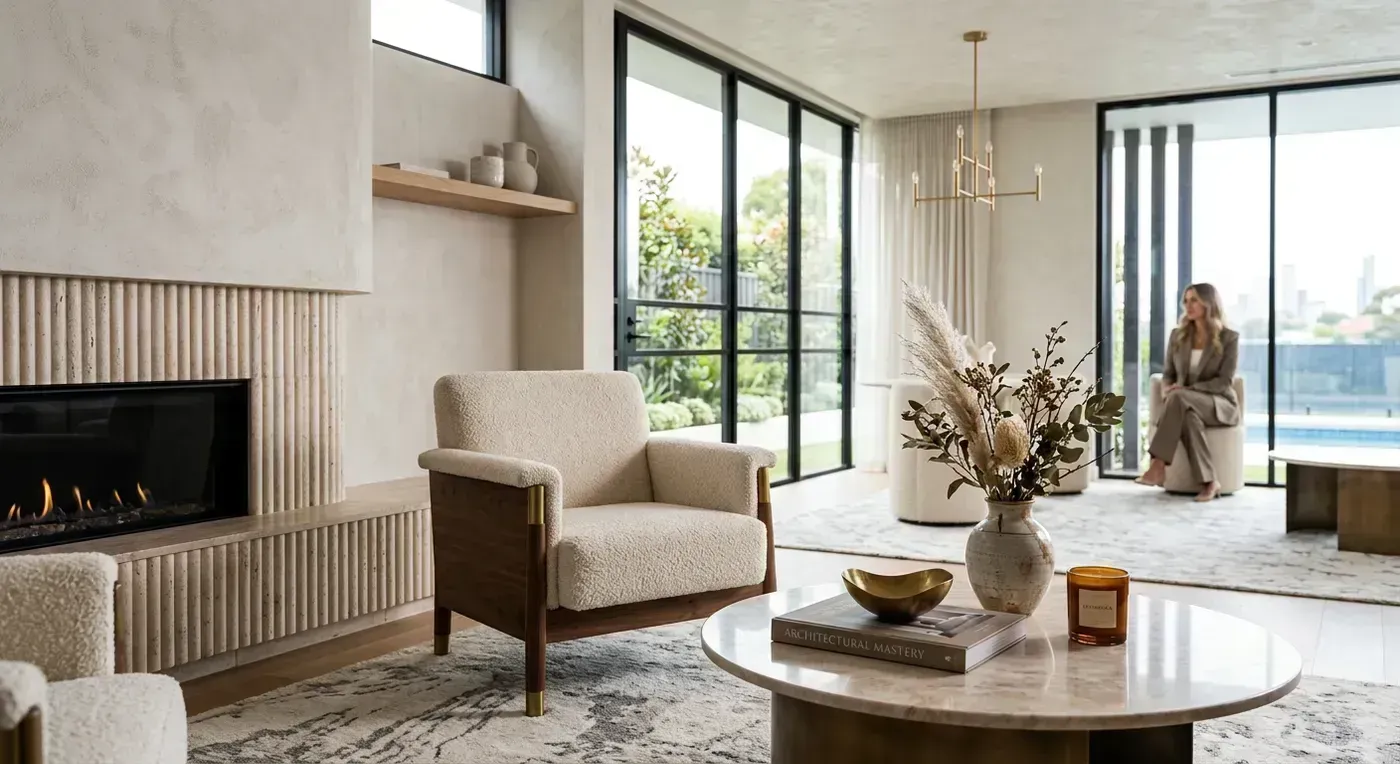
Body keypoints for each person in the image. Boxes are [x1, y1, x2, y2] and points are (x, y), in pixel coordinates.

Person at [1135, 283, 1240, 501]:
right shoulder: (1178, 336)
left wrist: (1186, 390)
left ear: (1208, 303)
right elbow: (1168, 374)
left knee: (1179, 397)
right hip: (1185, 403)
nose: (1188, 306)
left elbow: (1224, 382)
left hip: (1218, 404)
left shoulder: (1229, 338)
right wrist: (1167, 389)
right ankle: (1210, 483)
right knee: (1189, 418)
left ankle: (1158, 464)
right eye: (1186, 301)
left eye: (1194, 300)